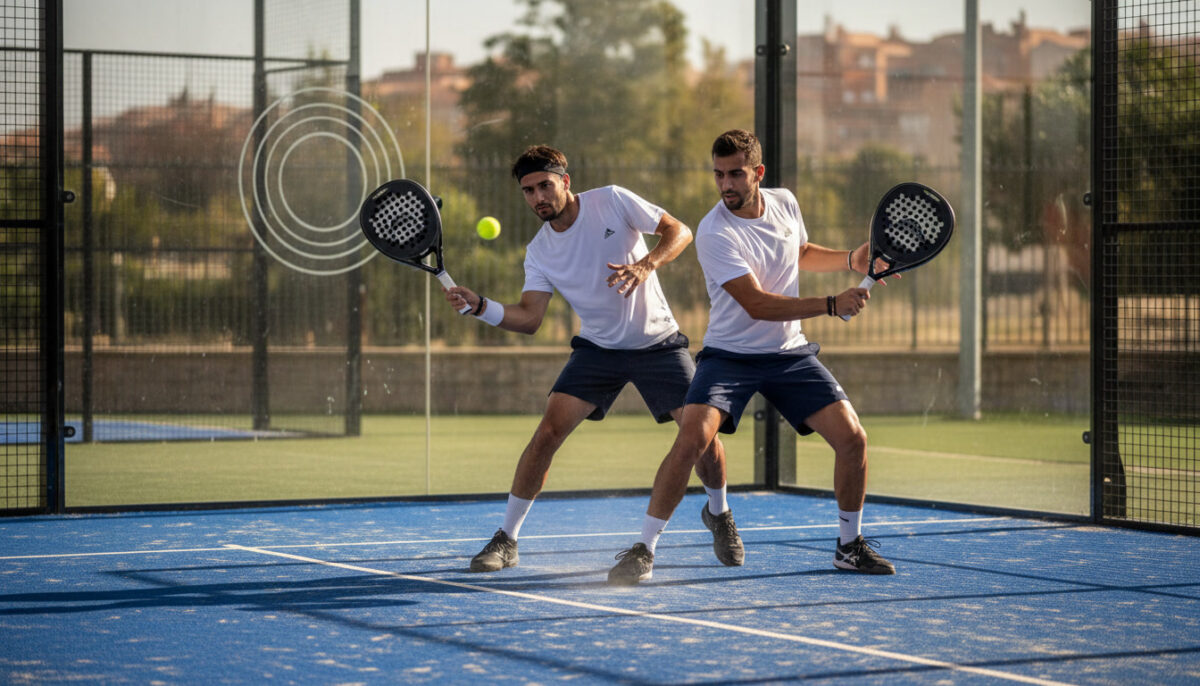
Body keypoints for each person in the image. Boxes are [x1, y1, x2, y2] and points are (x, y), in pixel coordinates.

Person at [607, 129, 896, 585]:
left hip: (789, 354)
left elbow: (799, 253)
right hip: (730, 357)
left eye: (736, 174)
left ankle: (849, 546)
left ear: (758, 173)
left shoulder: (784, 202)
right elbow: (757, 304)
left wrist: (850, 260)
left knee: (853, 439)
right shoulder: (714, 230)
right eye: (719, 174)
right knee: (691, 441)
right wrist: (829, 305)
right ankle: (643, 549)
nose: (726, 184)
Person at [445, 144, 744, 574]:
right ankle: (507, 538)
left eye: (545, 186)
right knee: (547, 432)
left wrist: (646, 264)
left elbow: (679, 231)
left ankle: (719, 512)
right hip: (599, 350)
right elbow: (529, 318)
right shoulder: (540, 251)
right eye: (528, 191)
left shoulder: (612, 200)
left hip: (658, 344)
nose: (537, 198)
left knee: (702, 439)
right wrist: (480, 306)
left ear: (565, 182)